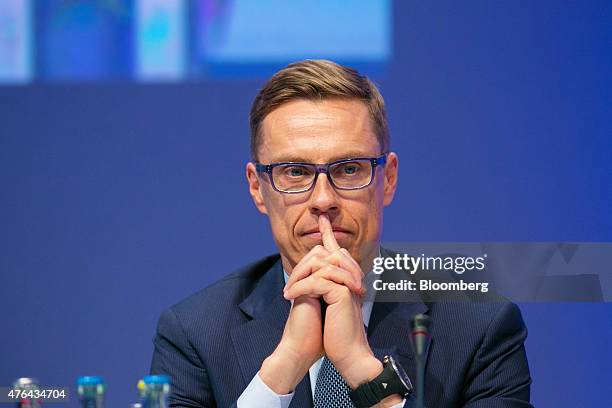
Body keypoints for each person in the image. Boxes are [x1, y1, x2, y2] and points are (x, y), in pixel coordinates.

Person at [150, 60, 533, 407]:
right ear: (257, 188)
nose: (323, 200)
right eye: (295, 172)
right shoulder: (196, 333)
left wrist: (361, 370)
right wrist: (285, 365)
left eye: (349, 169)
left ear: (388, 179)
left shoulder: (479, 326)